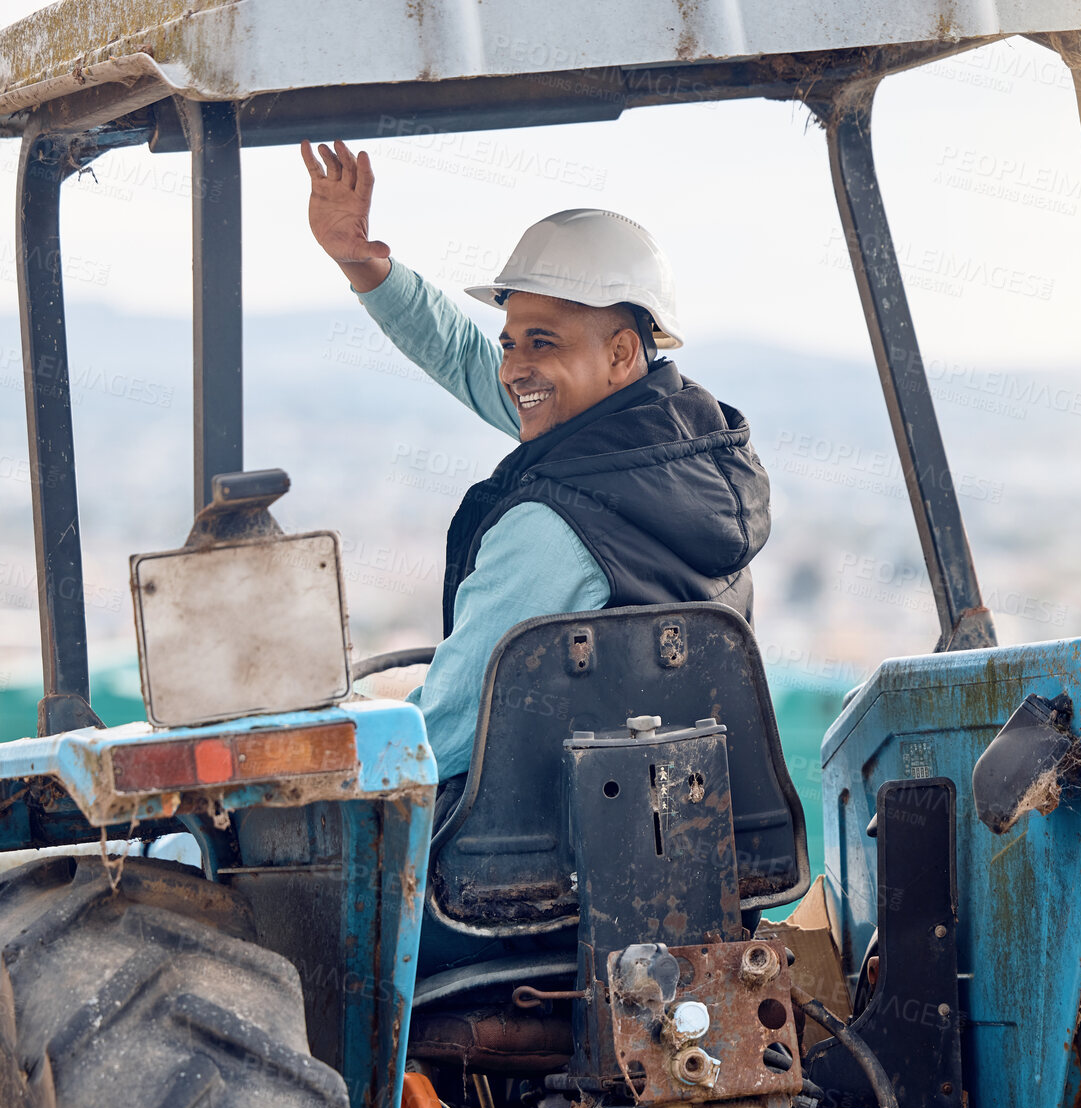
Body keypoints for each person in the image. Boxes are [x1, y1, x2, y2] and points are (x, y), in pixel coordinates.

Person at [302, 139, 770, 781]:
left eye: (542, 343)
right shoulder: (679, 456)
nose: (515, 369)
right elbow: (472, 361)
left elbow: (437, 742)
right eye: (511, 343)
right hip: (669, 817)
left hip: (524, 848)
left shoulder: (554, 530)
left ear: (621, 354)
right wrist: (366, 268)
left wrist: (316, 770)